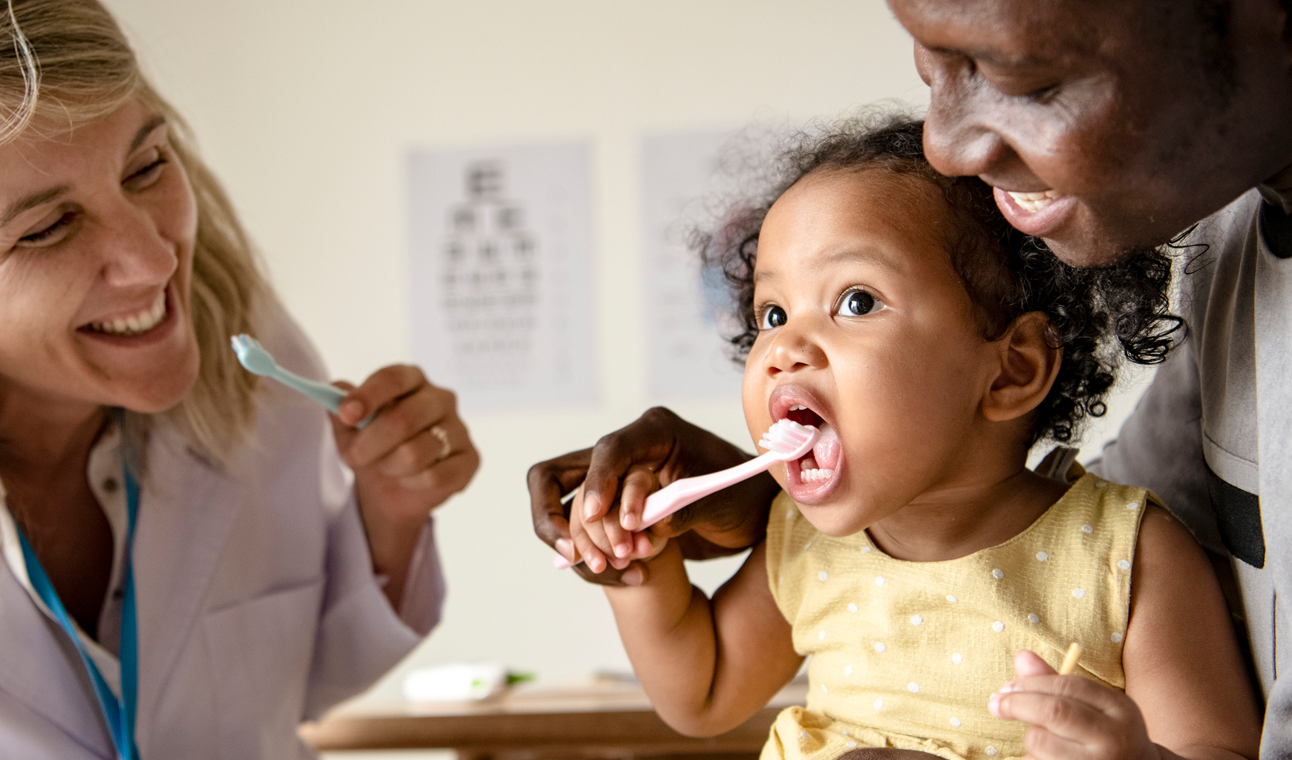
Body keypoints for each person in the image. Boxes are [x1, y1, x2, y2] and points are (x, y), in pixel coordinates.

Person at [529, 0, 1292, 754]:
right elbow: (703, 690)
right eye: (770, 314)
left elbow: (1214, 747)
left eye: (855, 301)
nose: (784, 349)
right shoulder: (807, 544)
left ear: (1010, 371)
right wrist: (641, 571)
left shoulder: (1128, 558)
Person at [0, 1, 479, 757]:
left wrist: (391, 513)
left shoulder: (255, 361)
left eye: (146, 166)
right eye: (48, 228)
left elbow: (308, 679)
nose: (155, 261)